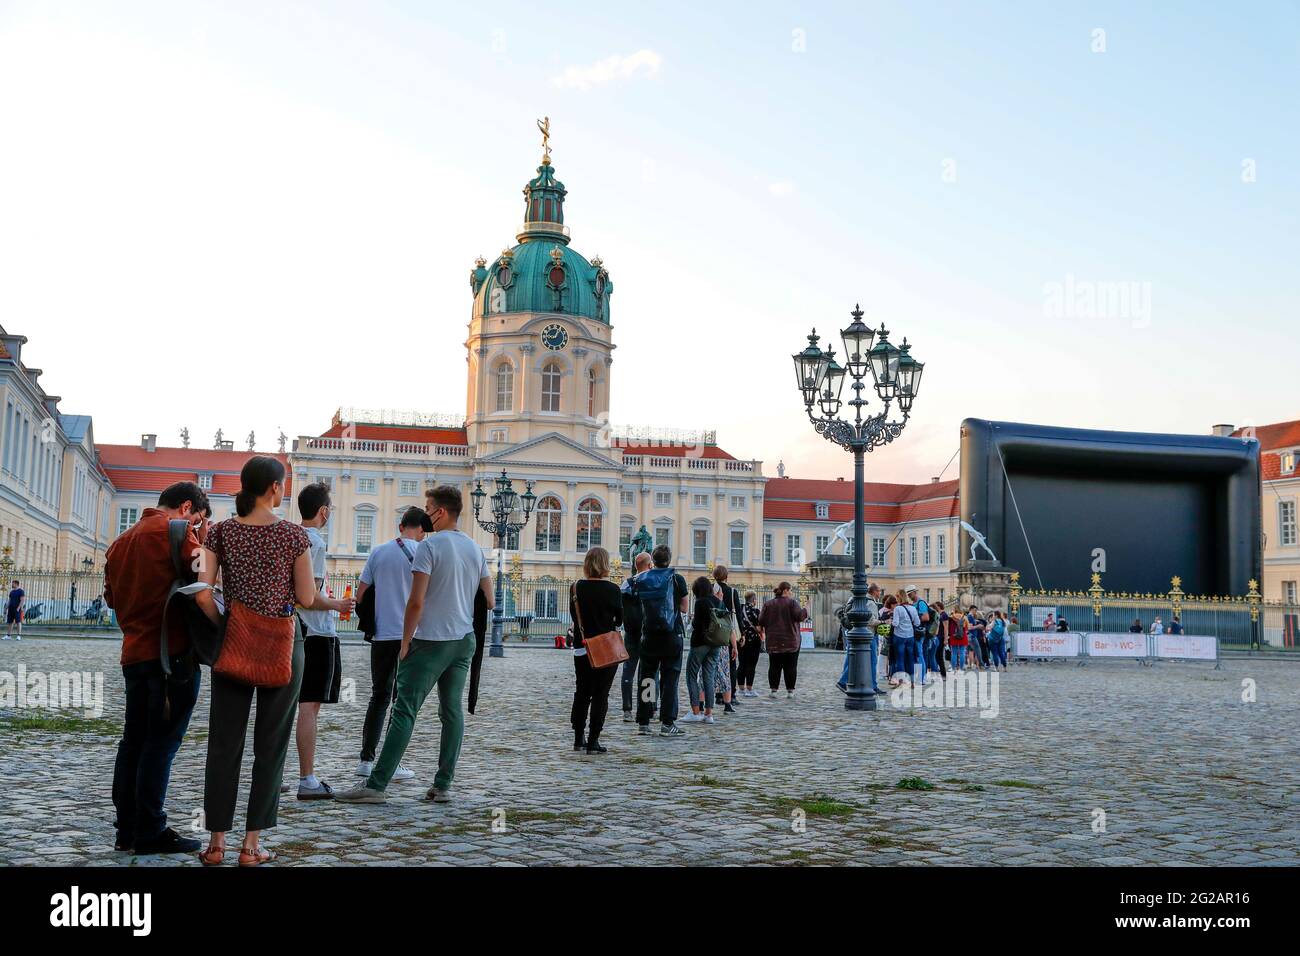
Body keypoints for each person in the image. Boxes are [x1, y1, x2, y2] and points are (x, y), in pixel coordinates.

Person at [195, 456, 349, 866]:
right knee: (271, 744)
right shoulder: (293, 537)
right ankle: (251, 845)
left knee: (224, 743)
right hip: (282, 643)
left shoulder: (221, 533)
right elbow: (304, 597)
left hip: (235, 642)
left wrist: (226, 624)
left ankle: (215, 844)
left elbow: (201, 593)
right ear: (275, 489)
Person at [337, 485, 491, 805]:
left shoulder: (429, 548)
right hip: (462, 640)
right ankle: (442, 785)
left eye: (429, 508)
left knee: (404, 711)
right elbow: (489, 600)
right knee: (451, 711)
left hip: (431, 639)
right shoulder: (475, 549)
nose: (426, 515)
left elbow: (416, 602)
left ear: (442, 512)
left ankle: (376, 785)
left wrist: (406, 642)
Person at [103, 481, 210, 855]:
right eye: (196, 519)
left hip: (134, 654)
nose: (195, 525)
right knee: (160, 745)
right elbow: (205, 576)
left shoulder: (120, 543)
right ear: (185, 508)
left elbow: (112, 599)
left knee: (132, 741)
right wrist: (203, 542)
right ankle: (150, 830)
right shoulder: (176, 532)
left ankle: (126, 830)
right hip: (173, 657)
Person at [353, 506, 429, 779]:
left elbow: (361, 595)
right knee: (402, 701)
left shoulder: (378, 552)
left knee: (379, 697)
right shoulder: (425, 553)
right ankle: (392, 763)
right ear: (422, 530)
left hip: (383, 635)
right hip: (412, 635)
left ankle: (366, 759)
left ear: (401, 526)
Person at [294, 481, 344, 801]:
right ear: (323, 511)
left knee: (288, 705)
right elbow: (309, 597)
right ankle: (307, 778)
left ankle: (274, 774)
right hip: (316, 632)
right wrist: (337, 605)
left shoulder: (289, 535)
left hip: (294, 630)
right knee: (310, 706)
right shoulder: (315, 542)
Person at [631, 545, 690, 737]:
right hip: (672, 634)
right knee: (670, 679)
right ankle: (667, 722)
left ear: (653, 561)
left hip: (649, 635)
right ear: (669, 559)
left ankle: (644, 721)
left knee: (647, 678)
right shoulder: (676, 578)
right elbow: (683, 608)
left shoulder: (642, 578)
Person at [569, 546, 623, 754]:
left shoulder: (575, 588)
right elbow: (620, 619)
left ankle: (578, 737)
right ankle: (593, 740)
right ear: (605, 564)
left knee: (582, 692)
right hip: (606, 649)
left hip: (582, 647)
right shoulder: (613, 590)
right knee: (601, 694)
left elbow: (575, 617)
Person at [682, 576, 723, 723]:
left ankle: (695, 711)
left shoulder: (700, 602)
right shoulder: (718, 601)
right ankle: (709, 714)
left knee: (691, 675)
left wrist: (692, 621)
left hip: (700, 642)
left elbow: (697, 624)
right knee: (709, 677)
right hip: (716, 643)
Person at [619, 551, 653, 720]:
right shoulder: (653, 582)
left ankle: (627, 709)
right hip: (649, 632)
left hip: (631, 631)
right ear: (650, 565)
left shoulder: (627, 583)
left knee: (628, 670)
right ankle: (650, 706)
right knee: (650, 672)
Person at [758, 582, 808, 698]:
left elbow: (761, 620)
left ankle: (773, 690)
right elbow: (800, 616)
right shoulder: (792, 603)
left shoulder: (768, 604)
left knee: (774, 666)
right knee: (791, 666)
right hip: (791, 640)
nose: (791, 593)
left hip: (773, 641)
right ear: (785, 590)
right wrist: (806, 608)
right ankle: (790, 691)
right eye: (790, 590)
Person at [836, 582, 881, 694]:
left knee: (850, 659)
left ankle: (843, 681)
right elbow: (871, 621)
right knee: (872, 661)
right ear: (874, 591)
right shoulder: (870, 603)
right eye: (879, 591)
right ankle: (873, 685)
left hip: (853, 632)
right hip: (867, 635)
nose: (879, 593)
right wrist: (882, 622)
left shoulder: (853, 599)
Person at [712, 565, 742, 713]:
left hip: (712, 632)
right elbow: (738, 614)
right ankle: (731, 695)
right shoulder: (731, 591)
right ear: (726, 576)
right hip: (727, 631)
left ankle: (717, 694)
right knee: (730, 664)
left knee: (714, 662)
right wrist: (741, 633)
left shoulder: (710, 589)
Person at [736, 591, 763, 697]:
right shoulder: (755, 611)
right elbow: (758, 628)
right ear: (754, 600)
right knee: (751, 665)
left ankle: (741, 688)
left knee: (742, 664)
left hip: (741, 640)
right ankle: (749, 689)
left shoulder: (740, 609)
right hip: (753, 640)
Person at [945, 604, 969, 671]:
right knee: (962, 652)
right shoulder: (965, 617)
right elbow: (967, 628)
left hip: (953, 636)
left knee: (954, 653)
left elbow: (948, 627)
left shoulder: (951, 617)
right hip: (962, 635)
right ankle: (961, 668)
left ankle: (953, 668)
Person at [965, 605, 987, 670]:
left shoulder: (970, 617)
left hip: (971, 636)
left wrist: (976, 623)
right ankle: (981, 665)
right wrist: (978, 626)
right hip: (972, 636)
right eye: (975, 610)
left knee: (973, 650)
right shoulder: (970, 617)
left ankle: (978, 664)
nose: (976, 612)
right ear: (971, 609)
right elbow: (970, 627)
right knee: (977, 650)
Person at [930, 600, 948, 680]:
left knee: (939, 656)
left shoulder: (944, 615)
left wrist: (945, 639)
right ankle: (939, 673)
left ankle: (943, 674)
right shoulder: (939, 615)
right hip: (938, 637)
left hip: (940, 637)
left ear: (938, 606)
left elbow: (946, 628)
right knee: (937, 656)